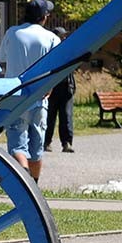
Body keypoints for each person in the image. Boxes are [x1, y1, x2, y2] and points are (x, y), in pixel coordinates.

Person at [0, 0, 61, 179]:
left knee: (17, 146)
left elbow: (2, 58)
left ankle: (23, 178)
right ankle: (34, 186)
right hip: (40, 98)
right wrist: (50, 86)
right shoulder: (51, 38)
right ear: (44, 16)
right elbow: (57, 68)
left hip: (16, 97)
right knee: (36, 149)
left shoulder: (12, 33)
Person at [44, 23, 76, 153]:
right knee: (49, 117)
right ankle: (46, 142)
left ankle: (67, 143)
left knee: (66, 116)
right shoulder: (49, 51)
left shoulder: (68, 51)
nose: (63, 39)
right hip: (52, 87)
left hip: (66, 87)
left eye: (64, 37)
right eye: (61, 36)